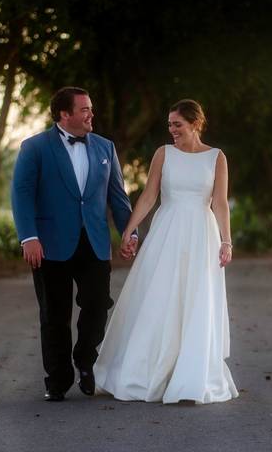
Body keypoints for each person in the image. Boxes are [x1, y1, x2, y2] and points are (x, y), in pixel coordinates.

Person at [93, 99, 239, 404]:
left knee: (195, 300)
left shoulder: (217, 157)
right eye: (169, 125)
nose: (172, 130)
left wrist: (226, 241)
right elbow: (149, 196)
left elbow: (220, 203)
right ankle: (147, 372)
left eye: (178, 125)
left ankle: (190, 376)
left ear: (195, 123)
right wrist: (130, 230)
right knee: (160, 297)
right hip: (167, 232)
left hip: (202, 234)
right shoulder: (163, 154)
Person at [11, 86, 134, 402]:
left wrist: (130, 233)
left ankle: (86, 361)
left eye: (90, 109)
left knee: (96, 304)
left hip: (94, 242)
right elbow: (21, 195)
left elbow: (118, 198)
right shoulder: (34, 148)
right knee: (54, 314)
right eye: (85, 110)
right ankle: (57, 378)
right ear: (64, 114)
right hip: (48, 245)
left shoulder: (105, 148)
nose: (91, 114)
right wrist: (29, 237)